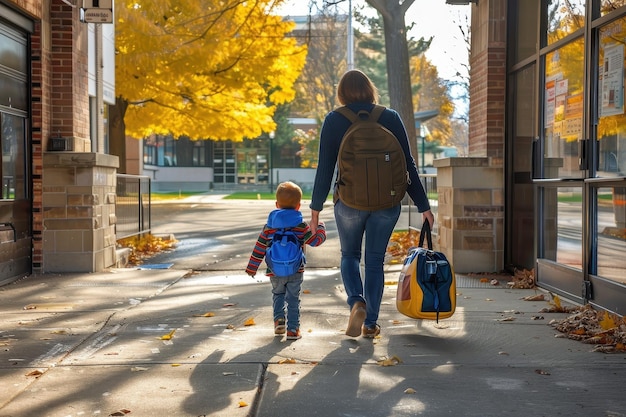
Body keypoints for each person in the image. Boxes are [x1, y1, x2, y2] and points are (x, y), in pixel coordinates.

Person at [309, 69, 435, 339]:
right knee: (375, 261)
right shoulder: (389, 117)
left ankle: (356, 301)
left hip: (349, 203)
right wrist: (424, 206)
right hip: (386, 202)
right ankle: (370, 324)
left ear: (341, 93)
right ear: (370, 89)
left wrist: (315, 209)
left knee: (349, 256)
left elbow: (325, 168)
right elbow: (408, 165)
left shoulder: (334, 120)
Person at [246, 181, 326, 340]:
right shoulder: (301, 226)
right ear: (298, 206)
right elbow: (316, 241)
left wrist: (252, 268)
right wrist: (321, 227)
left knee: (278, 294)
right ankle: (293, 330)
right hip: (296, 269)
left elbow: (260, 248)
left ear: (276, 204)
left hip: (274, 270)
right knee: (293, 299)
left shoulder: (269, 227)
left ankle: (279, 321)